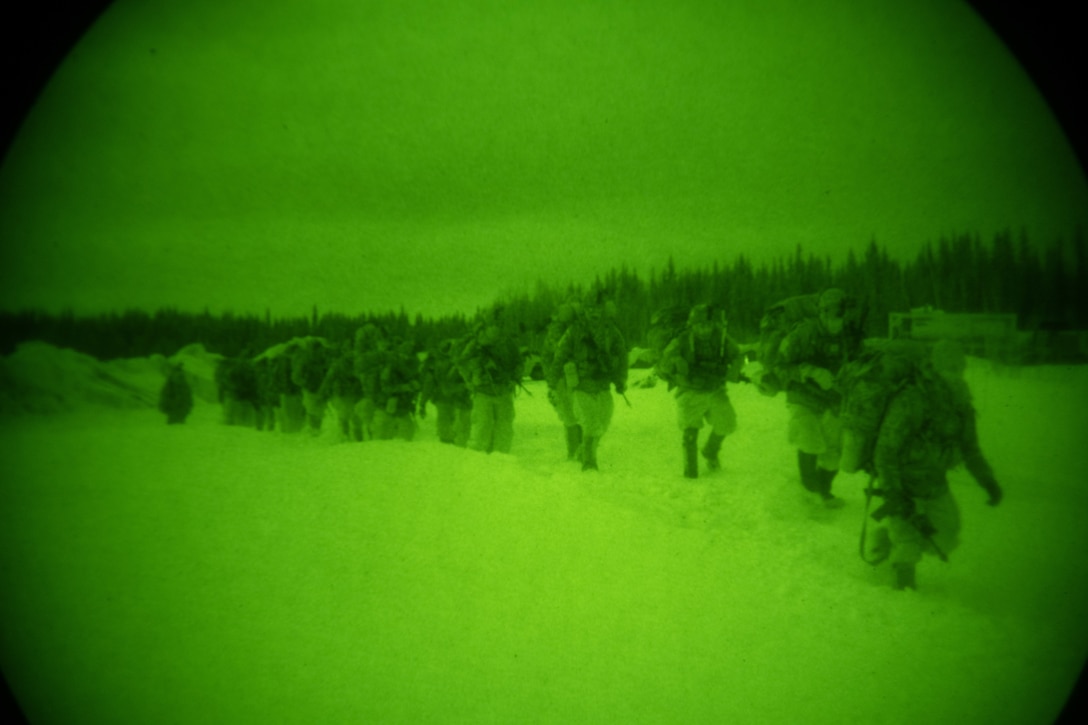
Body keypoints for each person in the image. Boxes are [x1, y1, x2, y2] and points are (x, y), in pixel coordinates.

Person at [861, 340, 1003, 590]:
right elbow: (885, 451)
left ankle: (885, 540)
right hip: (902, 481)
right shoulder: (912, 399)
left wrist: (987, 481)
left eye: (958, 368)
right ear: (935, 368)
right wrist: (894, 492)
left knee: (947, 535)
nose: (955, 374)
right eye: (948, 368)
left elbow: (970, 448)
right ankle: (904, 594)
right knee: (908, 541)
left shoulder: (961, 404)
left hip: (935, 482)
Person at [776, 288, 861, 507]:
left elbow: (858, 366)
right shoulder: (803, 334)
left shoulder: (849, 336)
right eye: (830, 315)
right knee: (810, 440)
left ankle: (823, 491)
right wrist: (810, 371)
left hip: (832, 399)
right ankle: (809, 491)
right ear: (822, 313)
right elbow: (780, 366)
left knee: (834, 453)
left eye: (840, 316)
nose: (835, 321)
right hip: (802, 396)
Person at [655, 303, 743, 478]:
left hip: (715, 388)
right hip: (690, 391)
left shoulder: (722, 337)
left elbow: (739, 355)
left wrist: (735, 369)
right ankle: (690, 472)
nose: (705, 329)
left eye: (708, 324)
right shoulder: (682, 340)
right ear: (692, 325)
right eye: (700, 325)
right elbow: (664, 362)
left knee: (727, 423)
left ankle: (711, 450)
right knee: (690, 429)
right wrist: (677, 361)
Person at [552, 291, 628, 471]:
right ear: (585, 310)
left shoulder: (611, 331)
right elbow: (560, 355)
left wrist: (621, 379)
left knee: (602, 424)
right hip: (581, 385)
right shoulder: (574, 331)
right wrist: (554, 381)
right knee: (589, 423)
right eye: (590, 308)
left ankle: (583, 452)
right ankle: (589, 462)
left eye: (598, 309)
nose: (594, 312)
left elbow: (622, 356)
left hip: (603, 385)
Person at [455, 315, 524, 454]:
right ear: (487, 326)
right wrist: (471, 377)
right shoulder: (476, 343)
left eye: (499, 324)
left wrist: (515, 378)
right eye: (493, 324)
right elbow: (461, 362)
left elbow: (519, 363)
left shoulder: (508, 343)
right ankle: (477, 460)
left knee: (504, 427)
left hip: (504, 391)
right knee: (481, 426)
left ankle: (502, 457)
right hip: (483, 392)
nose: (496, 327)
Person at [542, 300, 583, 460]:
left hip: (576, 378)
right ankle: (574, 451)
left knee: (579, 415)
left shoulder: (578, 329)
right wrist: (551, 379)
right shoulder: (555, 332)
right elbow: (550, 355)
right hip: (561, 379)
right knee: (570, 416)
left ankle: (580, 451)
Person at [418, 339, 473, 446]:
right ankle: (448, 443)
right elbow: (429, 383)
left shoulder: (457, 362)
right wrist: (423, 402)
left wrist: (423, 403)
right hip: (448, 397)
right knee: (449, 421)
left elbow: (429, 383)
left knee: (453, 422)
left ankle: (451, 442)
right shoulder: (436, 362)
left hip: (454, 397)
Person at [372, 338, 421, 441]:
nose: (406, 358)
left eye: (409, 354)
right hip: (387, 406)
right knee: (383, 436)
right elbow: (385, 388)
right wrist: (405, 388)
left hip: (403, 406)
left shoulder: (411, 368)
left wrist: (415, 387)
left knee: (407, 434)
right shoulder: (389, 368)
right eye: (404, 355)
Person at [319, 341, 364, 441]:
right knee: (345, 416)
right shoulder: (339, 364)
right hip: (344, 394)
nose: (352, 353)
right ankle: (345, 436)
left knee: (356, 418)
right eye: (349, 350)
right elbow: (329, 379)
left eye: (354, 350)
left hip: (357, 394)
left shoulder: (360, 362)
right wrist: (322, 393)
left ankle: (358, 439)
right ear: (345, 352)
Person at [291, 338, 331, 435]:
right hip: (310, 390)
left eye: (320, 350)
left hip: (322, 390)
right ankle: (313, 432)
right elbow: (295, 377)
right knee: (312, 412)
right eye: (317, 349)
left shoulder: (324, 360)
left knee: (320, 413)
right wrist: (305, 383)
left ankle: (317, 431)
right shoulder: (305, 361)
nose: (320, 352)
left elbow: (328, 373)